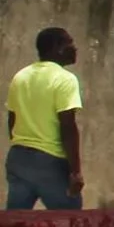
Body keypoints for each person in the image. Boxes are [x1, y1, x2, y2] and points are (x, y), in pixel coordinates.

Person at [7, 26, 86, 210]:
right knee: (70, 224)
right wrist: (75, 172)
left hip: (18, 158)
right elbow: (67, 127)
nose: (75, 48)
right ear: (57, 47)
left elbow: (12, 120)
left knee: (15, 225)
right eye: (69, 43)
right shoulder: (65, 79)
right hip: (50, 162)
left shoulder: (21, 76)